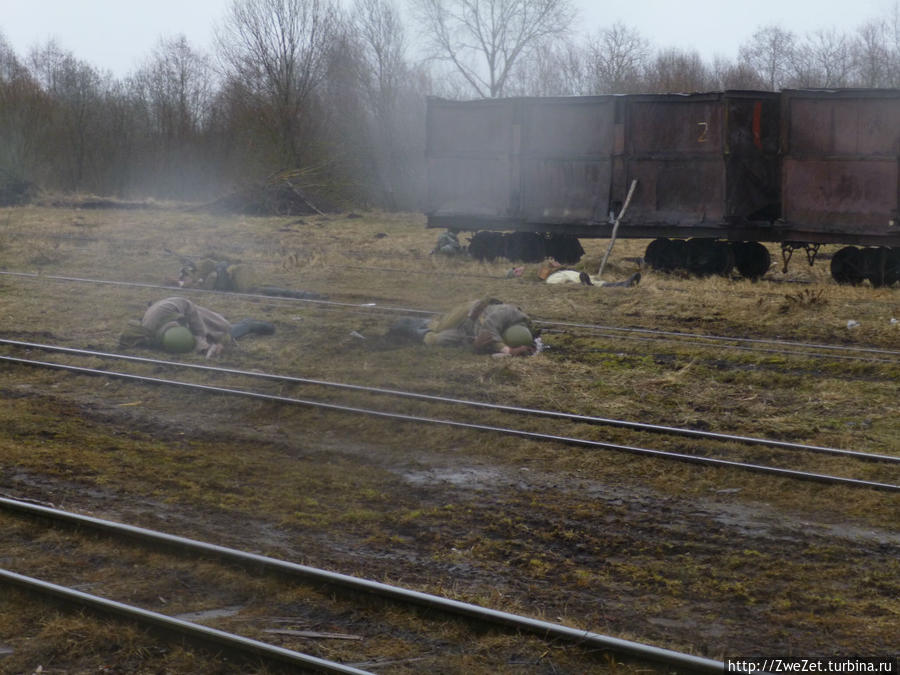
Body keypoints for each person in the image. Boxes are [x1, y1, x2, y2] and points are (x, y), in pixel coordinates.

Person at [119, 296, 274, 358]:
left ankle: (249, 325)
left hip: (191, 311)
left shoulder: (171, 313)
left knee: (224, 330)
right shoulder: (155, 334)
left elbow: (194, 321)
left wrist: (203, 341)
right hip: (180, 316)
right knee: (212, 336)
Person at [388, 298, 538, 357]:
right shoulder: (507, 313)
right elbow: (489, 328)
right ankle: (418, 322)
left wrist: (475, 347)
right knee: (440, 326)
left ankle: (413, 331)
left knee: (435, 340)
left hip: (469, 331)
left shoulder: (526, 331)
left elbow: (490, 347)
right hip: (470, 312)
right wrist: (509, 351)